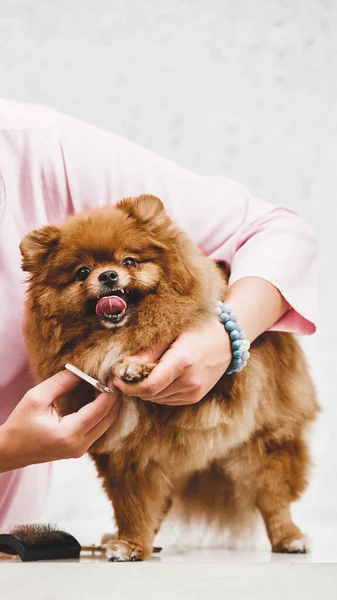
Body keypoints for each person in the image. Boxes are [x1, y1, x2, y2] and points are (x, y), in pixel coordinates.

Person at [0, 99, 317, 532]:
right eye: (83, 273)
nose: (109, 276)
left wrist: (225, 336)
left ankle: (277, 521)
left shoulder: (35, 147)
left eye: (128, 262)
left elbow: (276, 232)